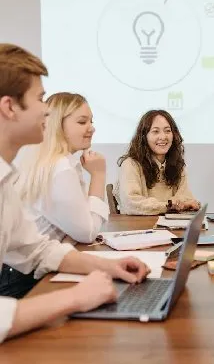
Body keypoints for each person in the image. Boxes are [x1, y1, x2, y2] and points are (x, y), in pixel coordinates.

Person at [0, 43, 149, 343]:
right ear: (9, 107)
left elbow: (37, 250)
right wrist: (75, 298)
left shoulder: (6, 182)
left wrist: (109, 266)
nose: (47, 109)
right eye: (40, 98)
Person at [16, 92, 108, 244]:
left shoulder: (55, 163)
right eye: (82, 122)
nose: (92, 128)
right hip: (33, 267)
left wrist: (71, 237)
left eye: (91, 121)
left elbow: (80, 228)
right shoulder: (61, 168)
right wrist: (98, 175)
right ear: (58, 125)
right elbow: (88, 233)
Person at [114, 109, 200, 215]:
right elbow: (131, 204)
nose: (163, 137)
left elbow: (186, 199)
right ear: (144, 137)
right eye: (155, 131)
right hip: (139, 229)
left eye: (167, 131)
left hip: (171, 228)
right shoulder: (130, 164)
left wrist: (186, 204)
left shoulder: (177, 165)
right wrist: (169, 205)